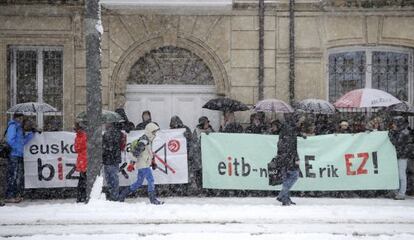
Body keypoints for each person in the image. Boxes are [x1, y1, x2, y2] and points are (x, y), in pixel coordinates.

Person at [119, 122, 163, 204]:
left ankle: (122, 195)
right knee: (151, 180)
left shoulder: (148, 140)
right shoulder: (144, 140)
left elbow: (148, 153)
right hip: (143, 165)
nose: (155, 134)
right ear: (150, 132)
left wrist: (152, 162)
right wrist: (132, 164)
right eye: (154, 132)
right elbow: (137, 152)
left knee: (138, 183)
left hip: (144, 164)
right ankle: (153, 200)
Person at [275, 112, 305, 206]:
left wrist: (300, 134)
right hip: (288, 158)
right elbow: (291, 146)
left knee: (286, 177)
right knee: (294, 175)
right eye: (299, 120)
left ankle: (285, 198)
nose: (300, 122)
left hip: (284, 157)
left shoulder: (288, 127)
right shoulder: (290, 129)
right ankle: (282, 195)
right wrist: (295, 158)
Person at [5, 113, 34, 203]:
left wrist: (31, 134)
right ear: (16, 118)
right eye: (20, 118)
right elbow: (10, 140)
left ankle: (15, 194)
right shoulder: (13, 126)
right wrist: (17, 148)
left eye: (22, 118)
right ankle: (9, 195)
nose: (21, 120)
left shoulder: (19, 128)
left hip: (19, 154)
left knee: (17, 176)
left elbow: (22, 141)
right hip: (14, 154)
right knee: (12, 176)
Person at [389, 116, 411, 200]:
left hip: (402, 156)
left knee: (401, 175)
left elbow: (396, 143)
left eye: (394, 123)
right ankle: (397, 191)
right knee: (397, 174)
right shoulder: (400, 131)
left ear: (398, 123)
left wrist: (391, 134)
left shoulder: (404, 132)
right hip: (398, 155)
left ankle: (402, 193)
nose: (393, 125)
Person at [190, 116, 214, 195]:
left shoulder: (211, 130)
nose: (208, 124)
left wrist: (209, 135)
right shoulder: (196, 131)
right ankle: (201, 190)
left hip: (208, 157)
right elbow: (194, 144)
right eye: (206, 123)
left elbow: (215, 140)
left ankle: (208, 190)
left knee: (208, 174)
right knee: (199, 174)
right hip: (198, 157)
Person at [169, 116, 192, 196]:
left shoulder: (185, 129)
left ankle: (184, 190)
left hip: (185, 155)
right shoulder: (171, 131)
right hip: (175, 156)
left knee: (184, 173)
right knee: (176, 172)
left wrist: (187, 136)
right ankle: (176, 189)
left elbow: (191, 140)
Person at [102, 122, 123, 201]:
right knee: (111, 179)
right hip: (111, 159)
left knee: (112, 179)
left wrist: (105, 147)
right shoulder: (113, 133)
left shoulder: (114, 133)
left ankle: (114, 196)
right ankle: (113, 195)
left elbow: (110, 146)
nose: (105, 125)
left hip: (111, 159)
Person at [74, 121, 87, 203]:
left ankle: (79, 197)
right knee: (85, 179)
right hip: (86, 159)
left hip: (81, 160)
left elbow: (76, 149)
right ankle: (84, 196)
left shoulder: (77, 137)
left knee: (81, 179)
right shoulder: (85, 136)